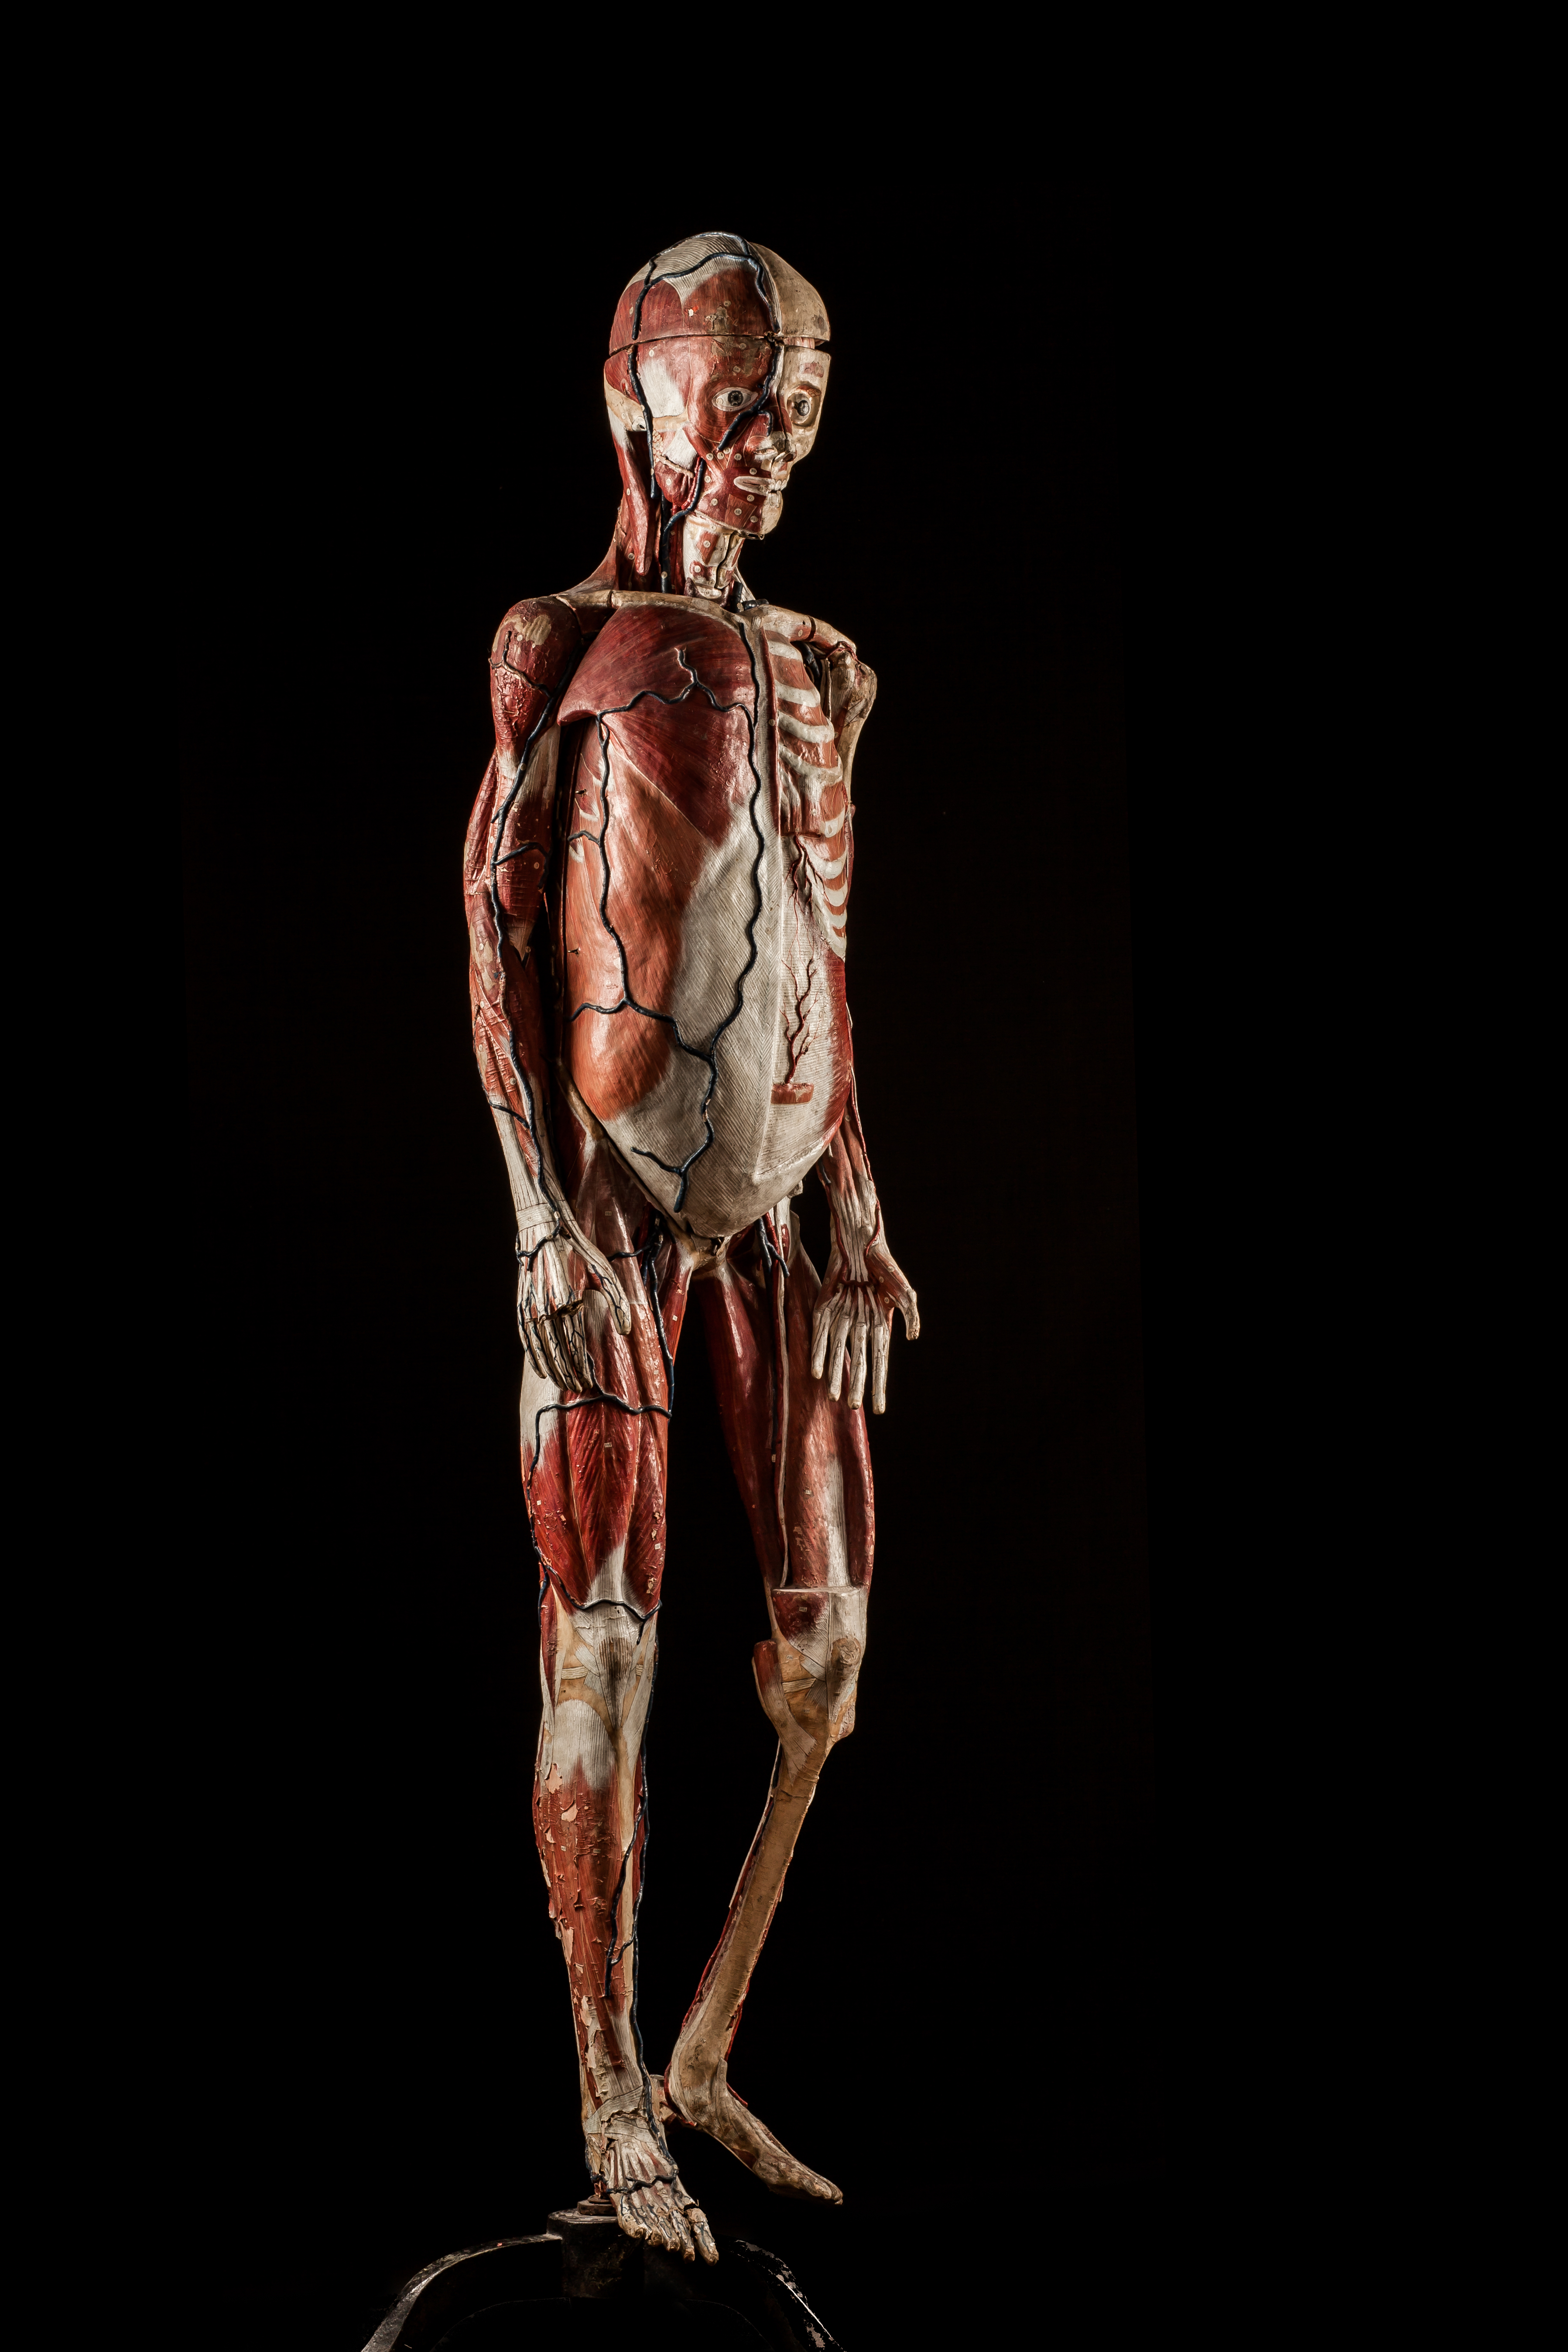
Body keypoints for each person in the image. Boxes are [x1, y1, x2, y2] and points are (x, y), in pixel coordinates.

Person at [462, 232, 918, 2263]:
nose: (762, 448)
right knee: (609, 1650)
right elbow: (488, 926)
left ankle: (708, 2043)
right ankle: (606, 2095)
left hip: (784, 1230)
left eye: (791, 412)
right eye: (733, 402)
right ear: (633, 397)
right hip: (613, 1220)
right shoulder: (556, 640)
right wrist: (540, 1218)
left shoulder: (826, 668)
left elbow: (824, 944)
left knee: (822, 1670)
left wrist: (862, 1211)